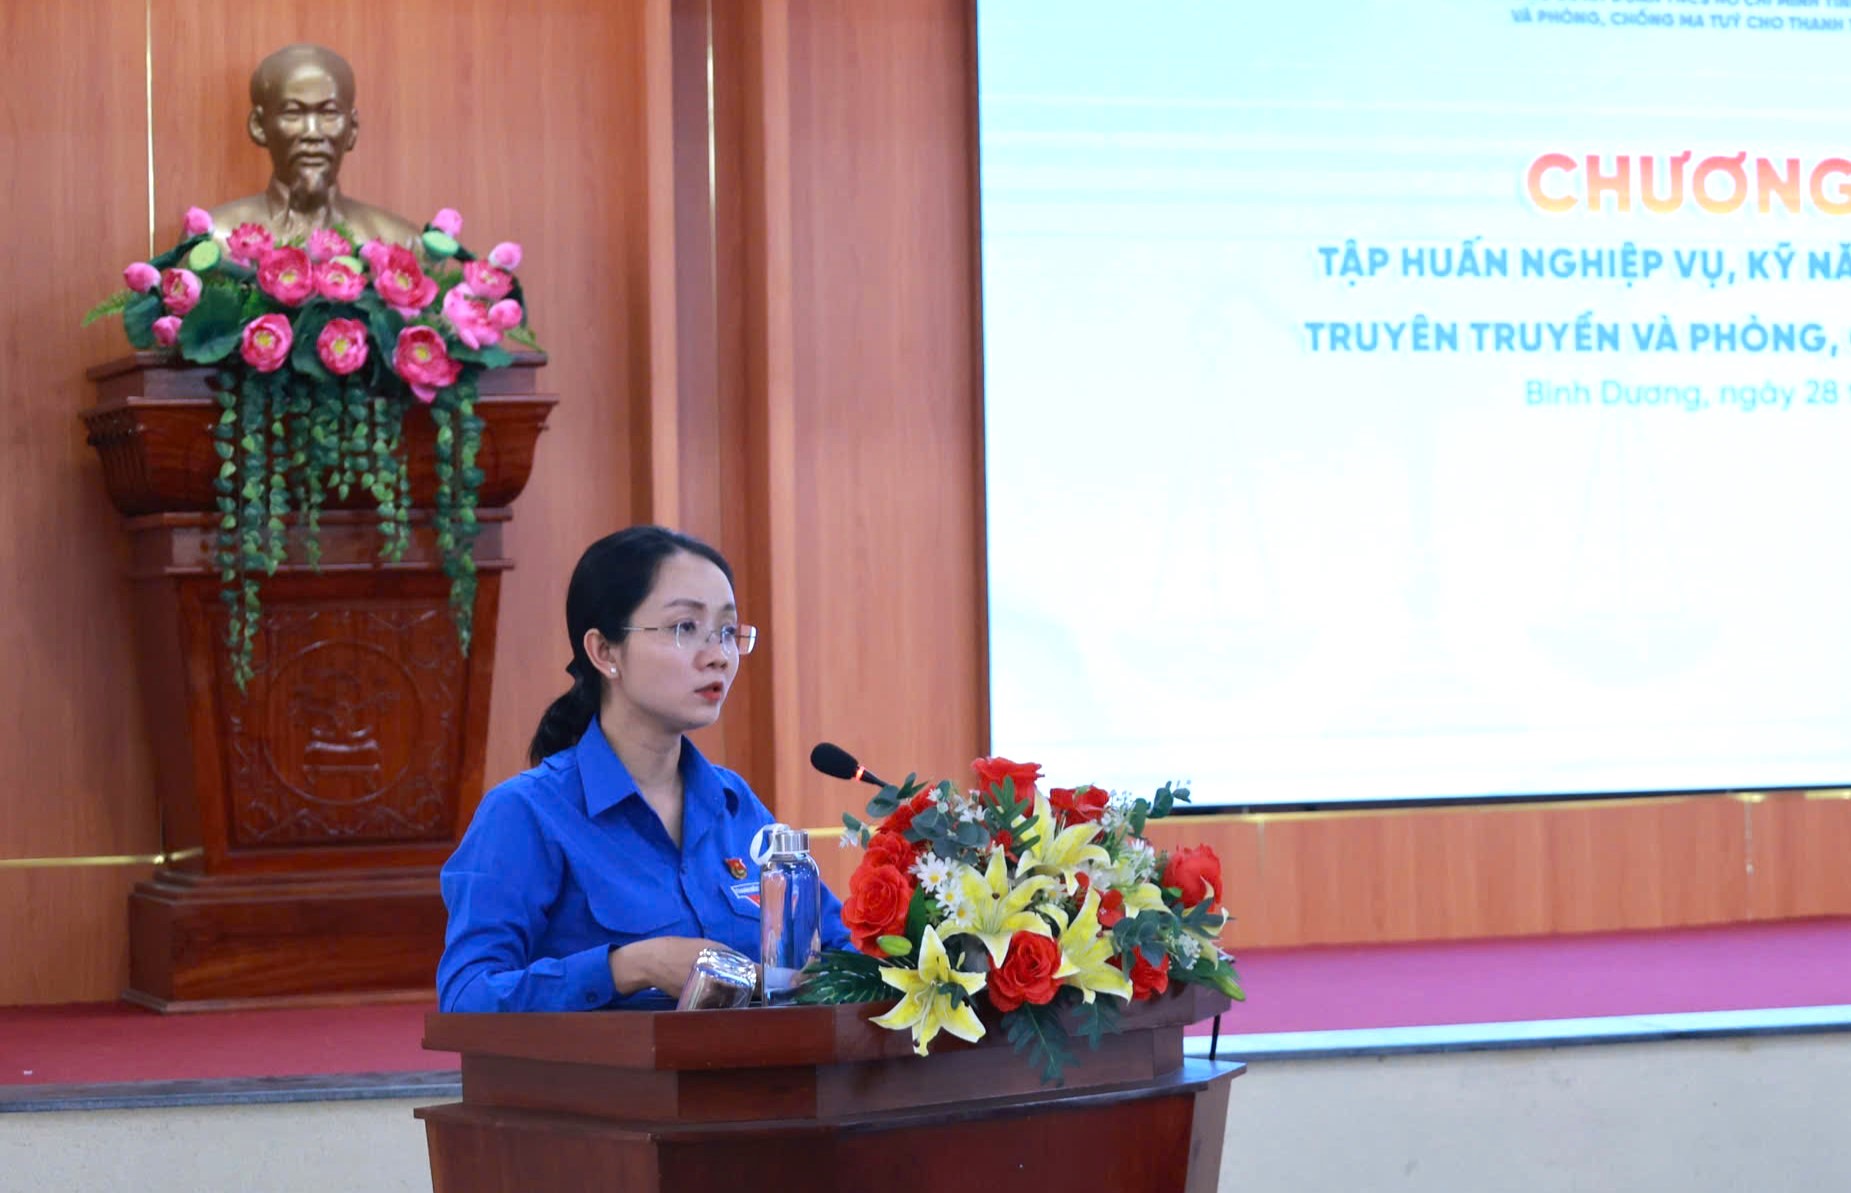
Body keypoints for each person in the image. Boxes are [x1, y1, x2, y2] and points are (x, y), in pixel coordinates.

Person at [438, 526, 851, 1011]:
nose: (718, 657)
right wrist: (630, 967)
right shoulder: (526, 813)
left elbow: (845, 952)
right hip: (609, 1065)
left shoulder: (734, 804)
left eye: (726, 632)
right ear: (604, 652)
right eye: (684, 628)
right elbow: (467, 996)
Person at [208, 44, 422, 247]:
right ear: (259, 126)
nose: (312, 133)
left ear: (352, 128)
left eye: (329, 113)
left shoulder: (401, 243)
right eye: (293, 112)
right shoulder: (215, 240)